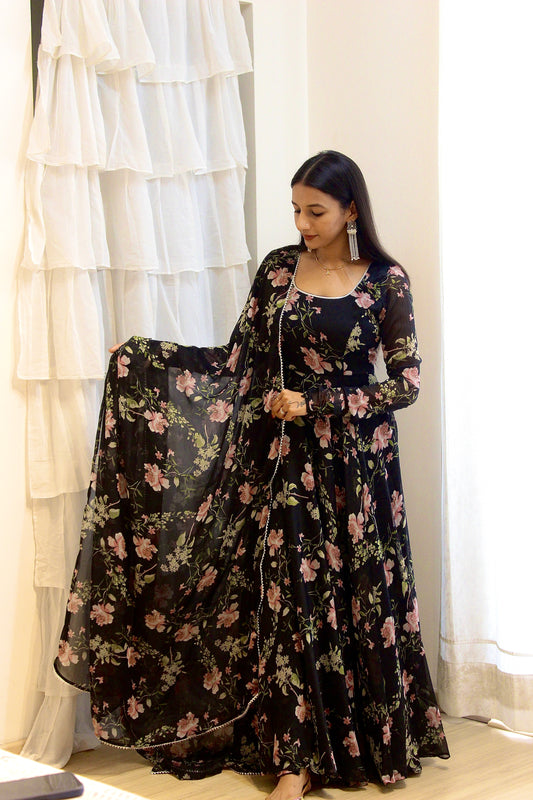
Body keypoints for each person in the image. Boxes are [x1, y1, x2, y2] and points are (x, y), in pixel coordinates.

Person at [55, 150, 449, 800]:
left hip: (356, 472)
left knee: (348, 599)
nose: (303, 224)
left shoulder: (385, 281)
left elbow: (404, 385)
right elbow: (236, 359)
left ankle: (351, 741)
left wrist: (316, 402)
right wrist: (149, 357)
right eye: (296, 210)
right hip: (282, 463)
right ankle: (295, 757)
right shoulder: (278, 270)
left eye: (315, 211)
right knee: (290, 599)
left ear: (351, 209)